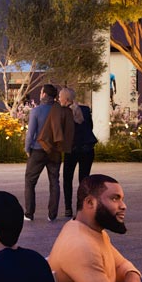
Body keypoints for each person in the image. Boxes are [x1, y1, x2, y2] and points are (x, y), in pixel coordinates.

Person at [21, 85, 67, 221]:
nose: (40, 94)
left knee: (30, 181)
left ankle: (29, 213)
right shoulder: (60, 111)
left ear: (44, 95)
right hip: (55, 151)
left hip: (38, 149)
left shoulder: (36, 111)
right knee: (54, 182)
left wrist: (27, 149)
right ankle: (52, 215)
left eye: (41, 92)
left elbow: (31, 133)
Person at [58, 87, 96, 217]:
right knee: (84, 180)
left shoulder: (63, 112)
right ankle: (81, 209)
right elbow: (90, 126)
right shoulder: (85, 110)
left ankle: (68, 209)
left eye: (60, 97)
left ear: (66, 99)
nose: (58, 99)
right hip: (87, 149)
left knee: (67, 179)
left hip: (72, 150)